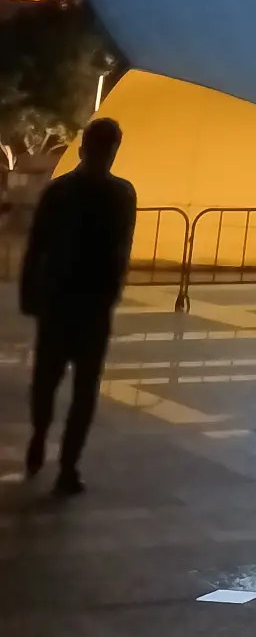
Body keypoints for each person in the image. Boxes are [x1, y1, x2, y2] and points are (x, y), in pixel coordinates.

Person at [19, 115, 136, 496]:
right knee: (81, 390)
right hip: (89, 305)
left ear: (83, 149)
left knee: (51, 381)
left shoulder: (60, 192)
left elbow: (37, 246)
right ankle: (66, 463)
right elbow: (121, 249)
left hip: (63, 301)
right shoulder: (121, 195)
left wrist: (30, 293)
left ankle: (44, 441)